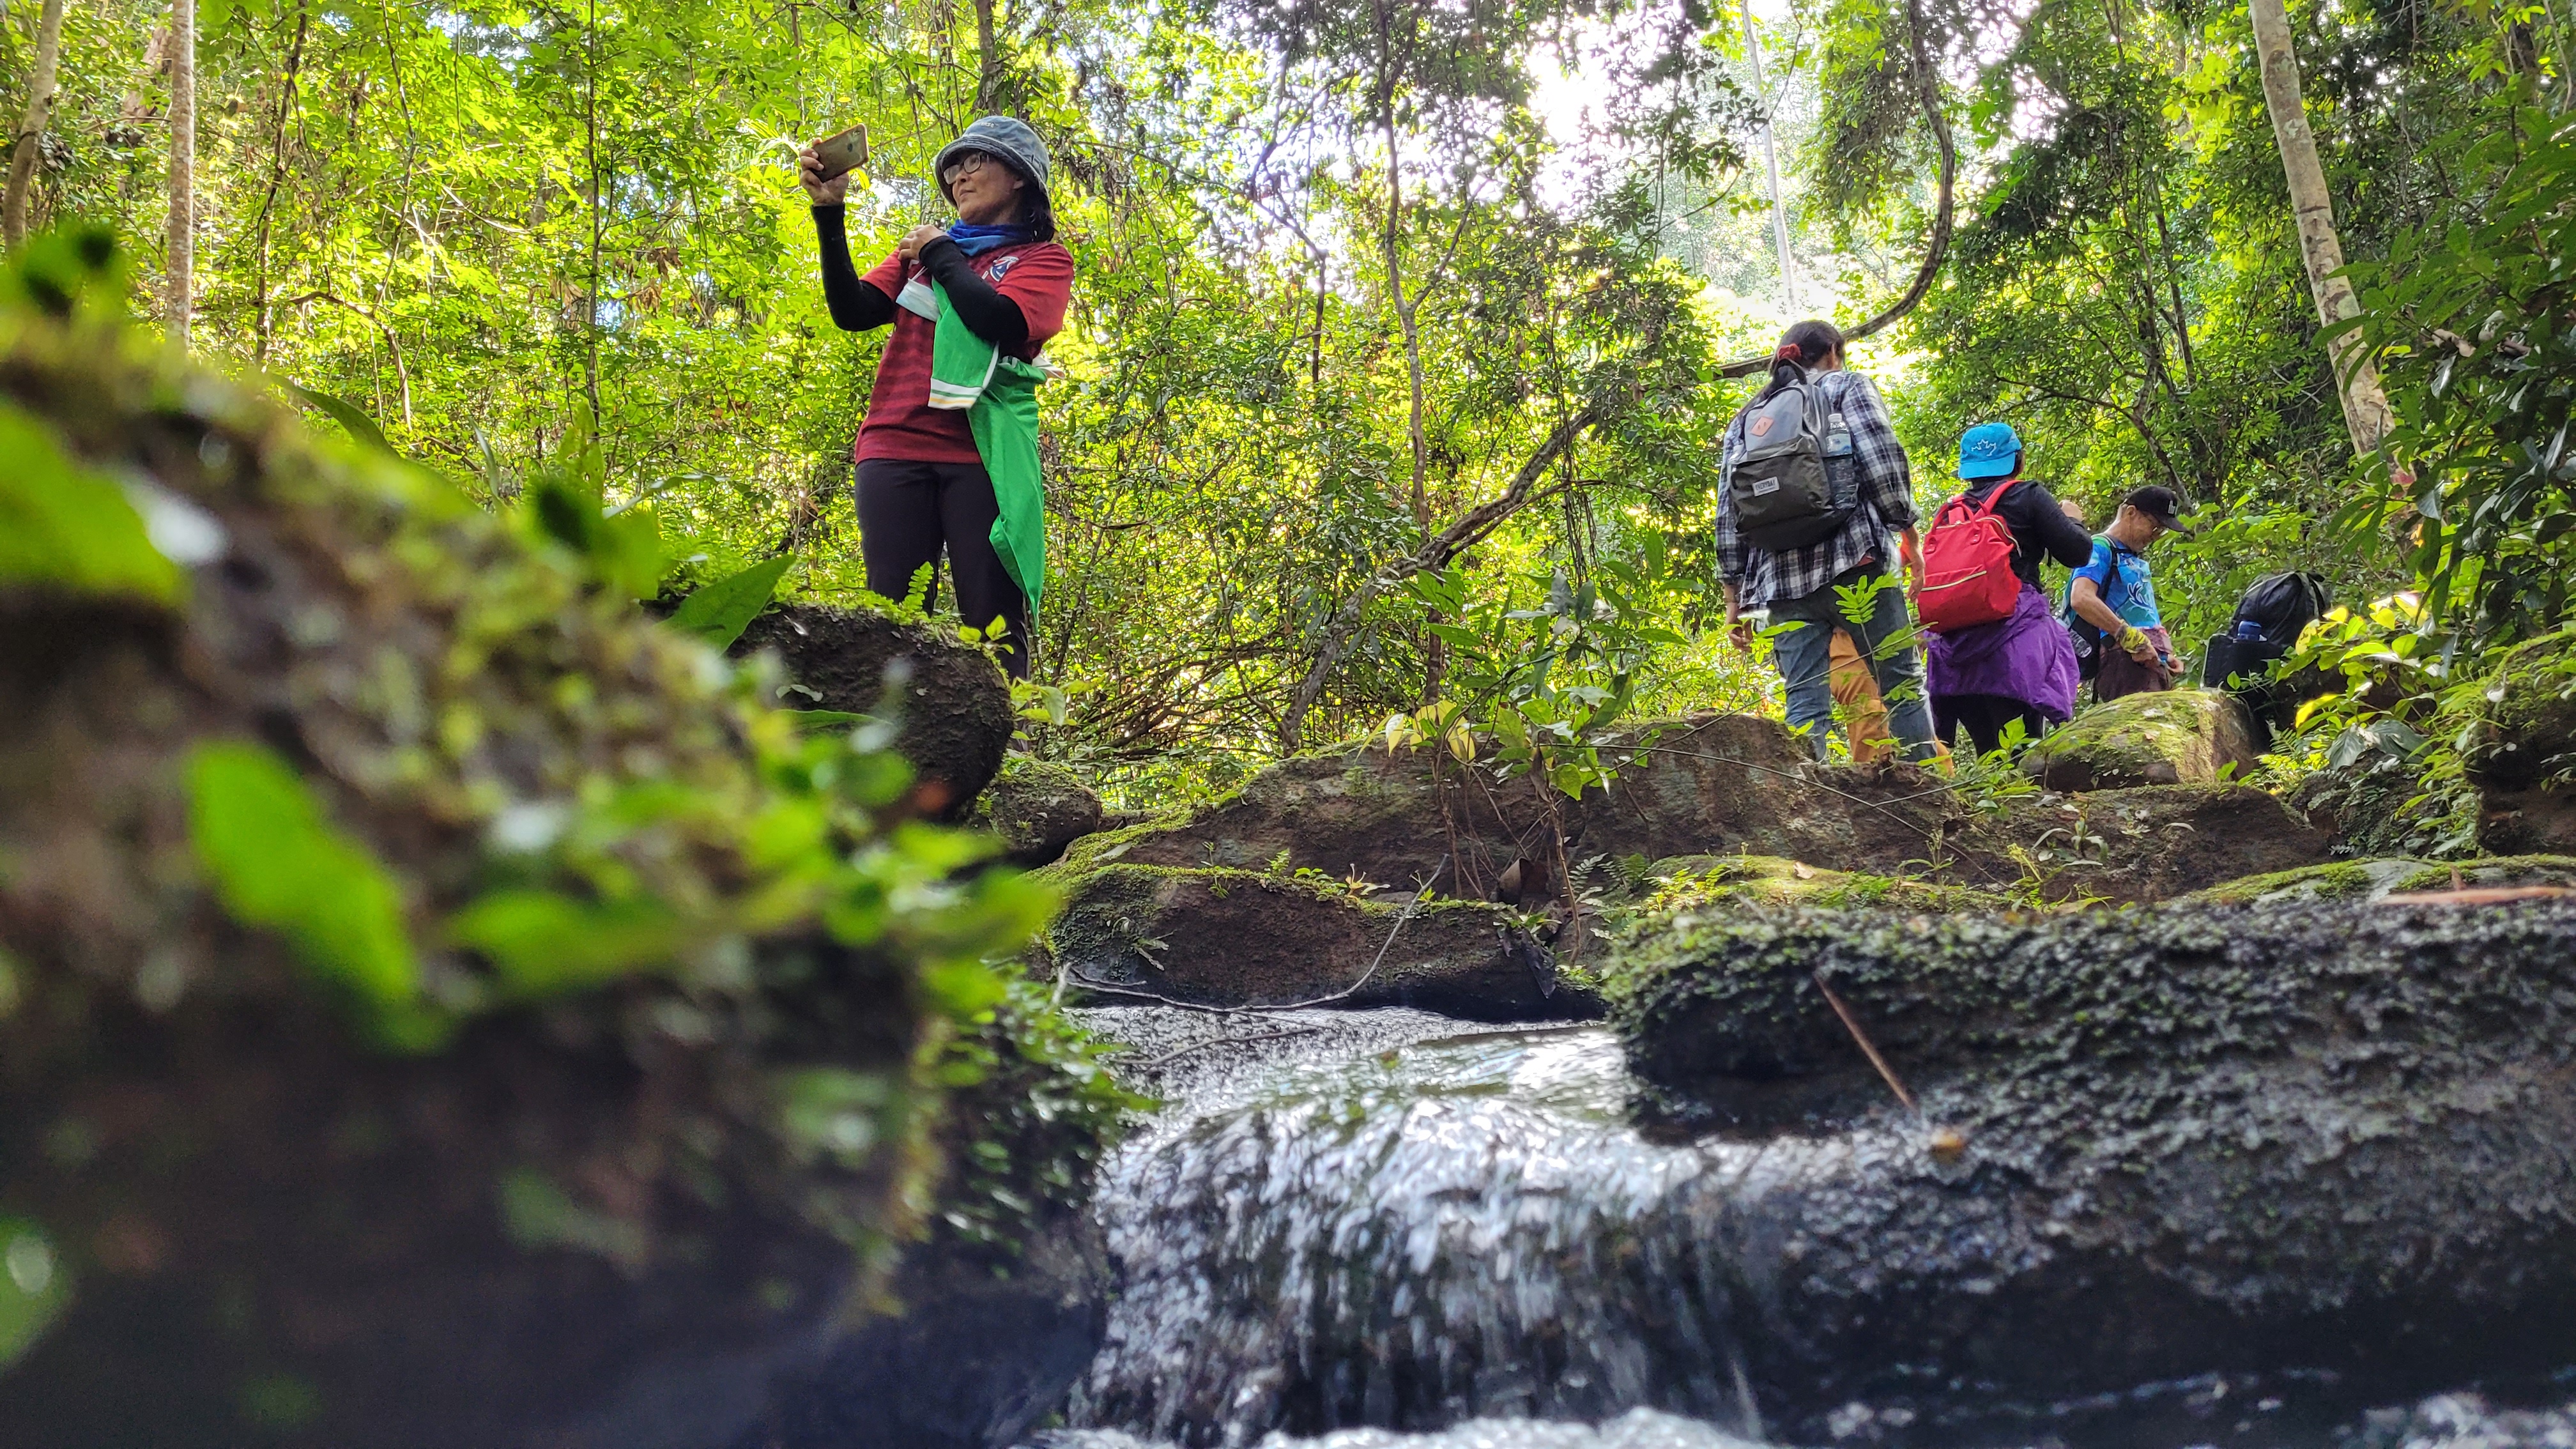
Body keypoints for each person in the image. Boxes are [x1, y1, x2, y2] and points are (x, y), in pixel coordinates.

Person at [800, 116, 1073, 678]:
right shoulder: (919, 253)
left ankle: (1009, 733)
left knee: (994, 623)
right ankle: (893, 730)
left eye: (974, 161)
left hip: (982, 455)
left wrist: (941, 254)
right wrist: (829, 211)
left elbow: (1001, 320)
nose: (958, 177)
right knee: (891, 618)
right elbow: (854, 311)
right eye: (952, 169)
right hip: (893, 445)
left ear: (1019, 177)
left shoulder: (1041, 260)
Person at [1715, 320, 1936, 763]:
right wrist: (1908, 533)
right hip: (1855, 562)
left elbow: (1728, 509)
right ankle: (1927, 791)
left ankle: (1803, 795)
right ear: (1833, 352)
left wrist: (1733, 598)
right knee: (1901, 685)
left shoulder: (1748, 418)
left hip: (1781, 583)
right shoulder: (1845, 386)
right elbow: (1881, 462)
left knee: (1804, 701)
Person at [1921, 423, 2096, 755]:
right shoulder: (2027, 495)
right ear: (2018, 460)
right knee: (2021, 753)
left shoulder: (1952, 512)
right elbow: (2078, 553)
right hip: (2013, 643)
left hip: (1955, 654)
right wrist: (2073, 519)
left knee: (1989, 754)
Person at [2067, 485, 2195, 703]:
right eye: (2154, 526)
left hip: (2149, 662)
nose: (2155, 536)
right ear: (2131, 513)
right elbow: (2081, 598)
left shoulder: (2131, 557)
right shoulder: (2100, 548)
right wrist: (2128, 637)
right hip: (2123, 661)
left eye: (2161, 531)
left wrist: (2164, 655)